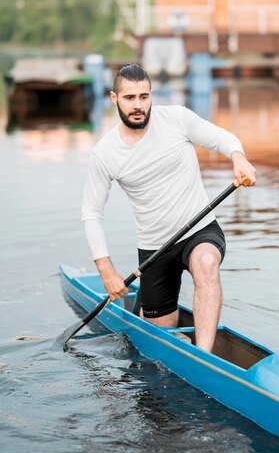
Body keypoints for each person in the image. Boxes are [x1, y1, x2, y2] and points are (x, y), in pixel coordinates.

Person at [81, 63, 256, 352]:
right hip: (155, 248)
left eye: (144, 96)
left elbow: (224, 139)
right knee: (157, 330)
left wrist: (239, 158)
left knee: (206, 263)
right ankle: (144, 314)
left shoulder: (176, 119)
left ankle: (204, 355)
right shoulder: (105, 153)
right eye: (129, 98)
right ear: (114, 98)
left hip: (199, 230)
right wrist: (106, 271)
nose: (138, 105)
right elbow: (91, 213)